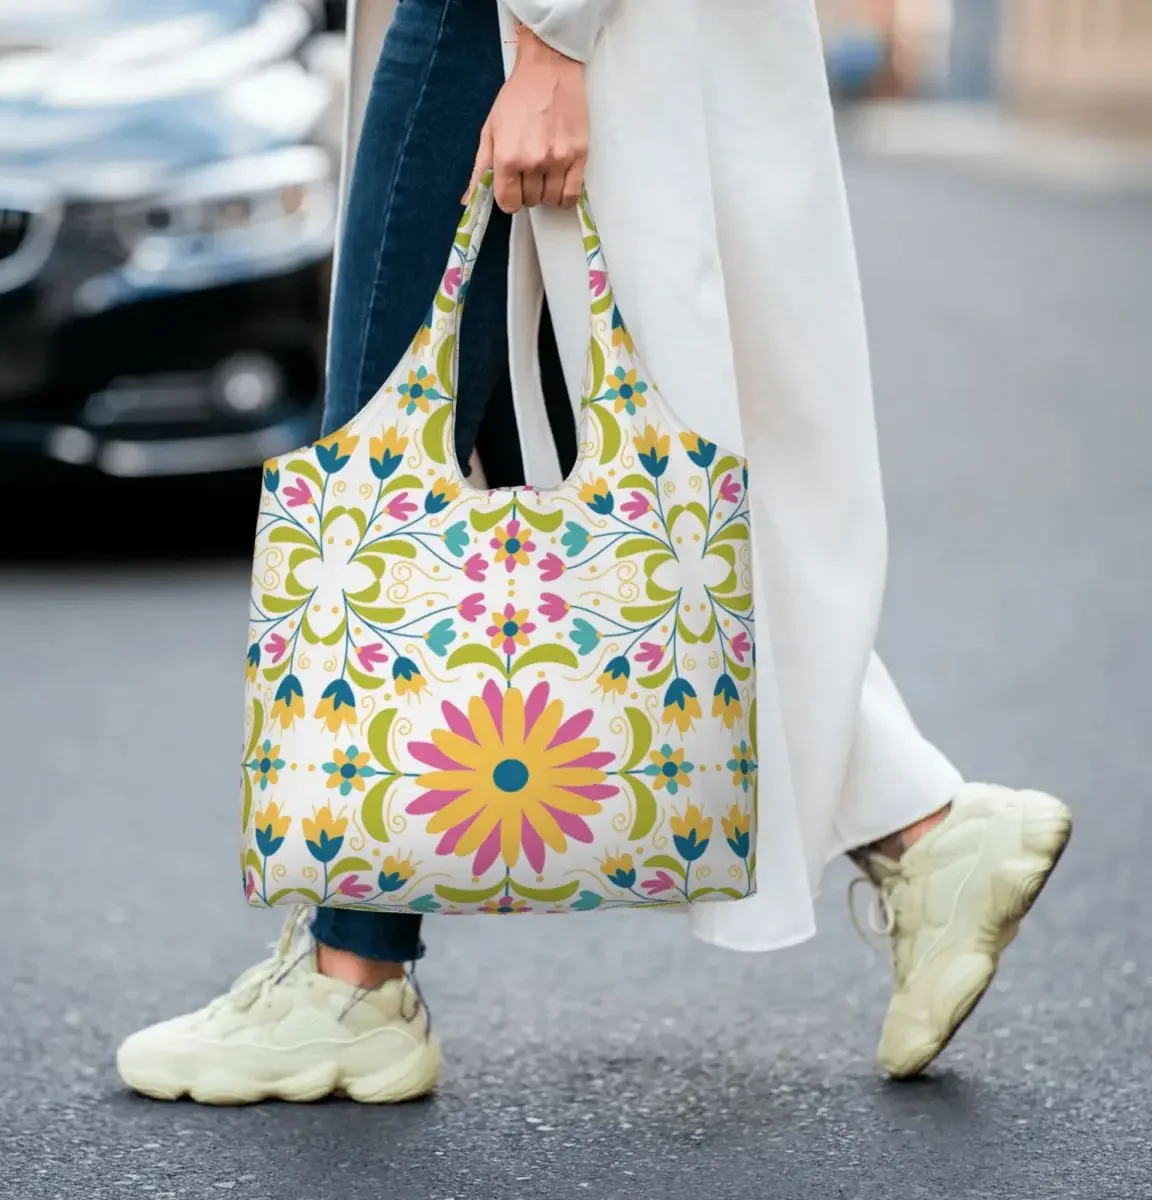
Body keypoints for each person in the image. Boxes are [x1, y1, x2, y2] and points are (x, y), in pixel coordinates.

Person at [115, 0, 1071, 1104]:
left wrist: (554, 39)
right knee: (585, 443)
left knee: (379, 458)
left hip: (511, 21)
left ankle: (348, 979)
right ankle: (924, 830)